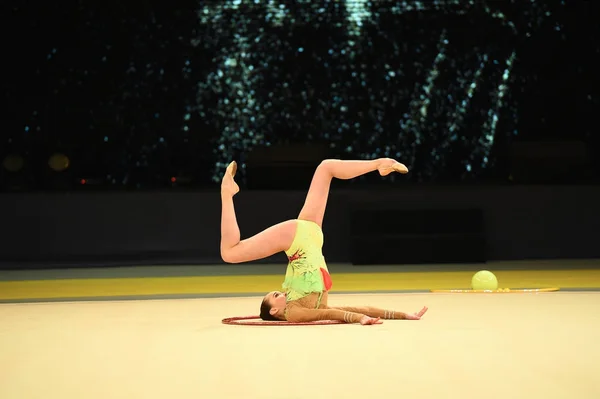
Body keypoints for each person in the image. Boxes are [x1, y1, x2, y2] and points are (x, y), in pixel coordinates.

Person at [220, 158, 428, 325]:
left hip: (299, 242)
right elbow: (351, 310)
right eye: (276, 294)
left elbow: (336, 315)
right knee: (325, 168)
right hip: (309, 237)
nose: (281, 291)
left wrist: (359, 320)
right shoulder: (295, 311)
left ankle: (226, 193)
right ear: (275, 310)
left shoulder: (294, 308)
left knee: (230, 253)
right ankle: (380, 163)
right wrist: (403, 315)